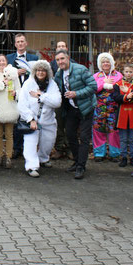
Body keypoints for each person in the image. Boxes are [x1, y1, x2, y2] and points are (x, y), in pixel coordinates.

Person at [54, 49, 97, 179]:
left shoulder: (80, 69)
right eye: (58, 60)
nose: (60, 62)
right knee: (70, 134)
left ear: (68, 59)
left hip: (86, 108)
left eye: (62, 59)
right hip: (71, 109)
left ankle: (81, 166)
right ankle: (77, 161)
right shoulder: (58, 75)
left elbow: (93, 86)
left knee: (84, 137)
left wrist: (76, 93)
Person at [18, 60, 61, 177]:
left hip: (48, 120)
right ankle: (31, 166)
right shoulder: (28, 84)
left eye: (43, 70)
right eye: (38, 70)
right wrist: (30, 119)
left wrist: (41, 96)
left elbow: (57, 102)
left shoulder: (52, 84)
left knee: (48, 142)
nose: (40, 72)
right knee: (30, 143)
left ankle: (43, 158)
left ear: (47, 72)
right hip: (32, 120)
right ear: (34, 71)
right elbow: (22, 104)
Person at [6, 33, 39, 158]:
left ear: (26, 43)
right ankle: (17, 148)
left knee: (28, 119)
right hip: (13, 93)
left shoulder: (34, 58)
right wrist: (16, 72)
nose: (20, 43)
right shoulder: (9, 58)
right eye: (18, 42)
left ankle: (28, 148)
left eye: (22, 41)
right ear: (15, 44)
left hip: (29, 95)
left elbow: (38, 74)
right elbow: (5, 73)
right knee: (16, 121)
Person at [112, 63, 133, 167]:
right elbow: (116, 97)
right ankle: (123, 157)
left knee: (132, 138)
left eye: (130, 72)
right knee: (123, 139)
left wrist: (129, 91)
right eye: (126, 71)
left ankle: (132, 157)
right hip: (122, 114)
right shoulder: (117, 84)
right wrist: (127, 97)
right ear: (123, 73)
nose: (128, 74)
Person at [92, 52, 123, 162]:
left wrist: (109, 85)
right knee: (98, 130)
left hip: (113, 108)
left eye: (107, 61)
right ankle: (99, 153)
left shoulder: (118, 75)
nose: (105, 64)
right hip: (99, 108)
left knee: (113, 130)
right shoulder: (96, 76)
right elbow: (93, 88)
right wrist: (104, 84)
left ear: (111, 63)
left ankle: (115, 154)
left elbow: (120, 87)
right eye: (103, 62)